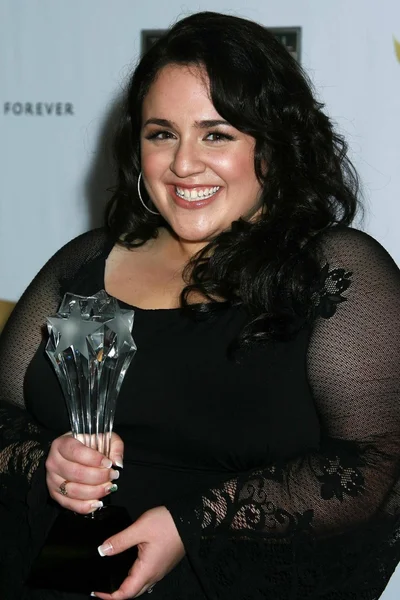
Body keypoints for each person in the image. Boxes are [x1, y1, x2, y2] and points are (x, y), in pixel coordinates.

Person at [0, 10, 400, 600]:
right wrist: (48, 464)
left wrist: (193, 522)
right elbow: (4, 415)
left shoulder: (334, 269)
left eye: (217, 134)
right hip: (63, 579)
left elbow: (376, 467)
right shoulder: (85, 262)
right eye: (162, 133)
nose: (183, 164)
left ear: (275, 144)